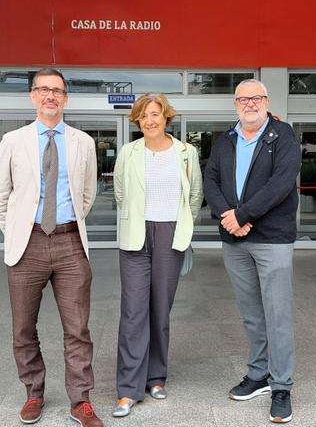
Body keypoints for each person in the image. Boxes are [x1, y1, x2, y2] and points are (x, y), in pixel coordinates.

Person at [0, 68, 104, 427]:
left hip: (70, 243)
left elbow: (87, 193)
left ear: (66, 98)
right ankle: (33, 393)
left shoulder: (83, 141)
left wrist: (67, 224)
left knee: (78, 329)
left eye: (57, 90)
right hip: (28, 245)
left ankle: (80, 401)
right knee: (23, 327)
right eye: (43, 90)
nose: (50, 96)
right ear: (32, 96)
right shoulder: (13, 141)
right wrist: (19, 232)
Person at [204, 79, 301, 424]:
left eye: (255, 98)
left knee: (277, 314)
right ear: (235, 104)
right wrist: (228, 218)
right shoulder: (225, 140)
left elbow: (282, 183)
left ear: (266, 101)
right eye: (243, 99)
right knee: (251, 313)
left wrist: (243, 216)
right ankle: (258, 375)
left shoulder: (282, 135)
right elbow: (210, 180)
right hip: (235, 240)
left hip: (272, 238)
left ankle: (281, 387)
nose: (249, 104)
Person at [111, 93, 203, 417]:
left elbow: (194, 196)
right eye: (144, 115)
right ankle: (128, 389)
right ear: (137, 120)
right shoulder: (128, 152)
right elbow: (120, 193)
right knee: (134, 312)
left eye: (156, 114)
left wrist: (182, 229)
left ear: (167, 118)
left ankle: (156, 377)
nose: (150, 120)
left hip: (170, 234)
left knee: (160, 311)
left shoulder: (186, 152)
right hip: (136, 234)